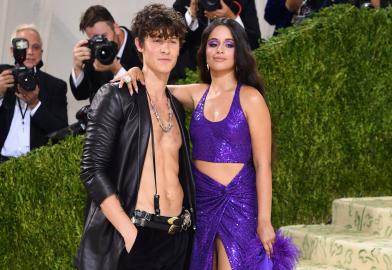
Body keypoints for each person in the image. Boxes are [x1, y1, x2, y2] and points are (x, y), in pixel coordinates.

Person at [122, 18, 299, 270]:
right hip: (202, 201)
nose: (219, 50)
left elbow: (262, 165)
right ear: (204, 50)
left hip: (239, 202)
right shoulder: (197, 93)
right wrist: (135, 72)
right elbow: (155, 88)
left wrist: (265, 220)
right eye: (213, 43)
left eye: (228, 44)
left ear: (239, 52)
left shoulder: (251, 98)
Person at [75, 4, 196, 270]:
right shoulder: (116, 95)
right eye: (157, 40)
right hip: (136, 236)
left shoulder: (175, 104)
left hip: (177, 240)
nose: (166, 49)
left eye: (172, 41)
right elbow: (92, 170)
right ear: (139, 44)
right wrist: (128, 232)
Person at [0, 24, 68, 162]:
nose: (30, 52)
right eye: (23, 46)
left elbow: (62, 133)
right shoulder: (2, 75)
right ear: (12, 50)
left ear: (41, 53)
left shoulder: (55, 86)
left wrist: (35, 105)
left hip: (36, 168)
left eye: (35, 47)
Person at [170, 0, 261, 81]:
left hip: (231, 75)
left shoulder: (242, 2)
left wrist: (232, 19)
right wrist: (190, 16)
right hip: (187, 73)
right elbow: (171, 42)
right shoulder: (187, 2)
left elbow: (254, 44)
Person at [70, 5, 142, 102]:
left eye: (104, 36)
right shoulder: (95, 49)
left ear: (116, 27)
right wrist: (77, 68)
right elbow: (81, 94)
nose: (101, 42)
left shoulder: (140, 45)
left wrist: (116, 69)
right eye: (95, 39)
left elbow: (142, 96)